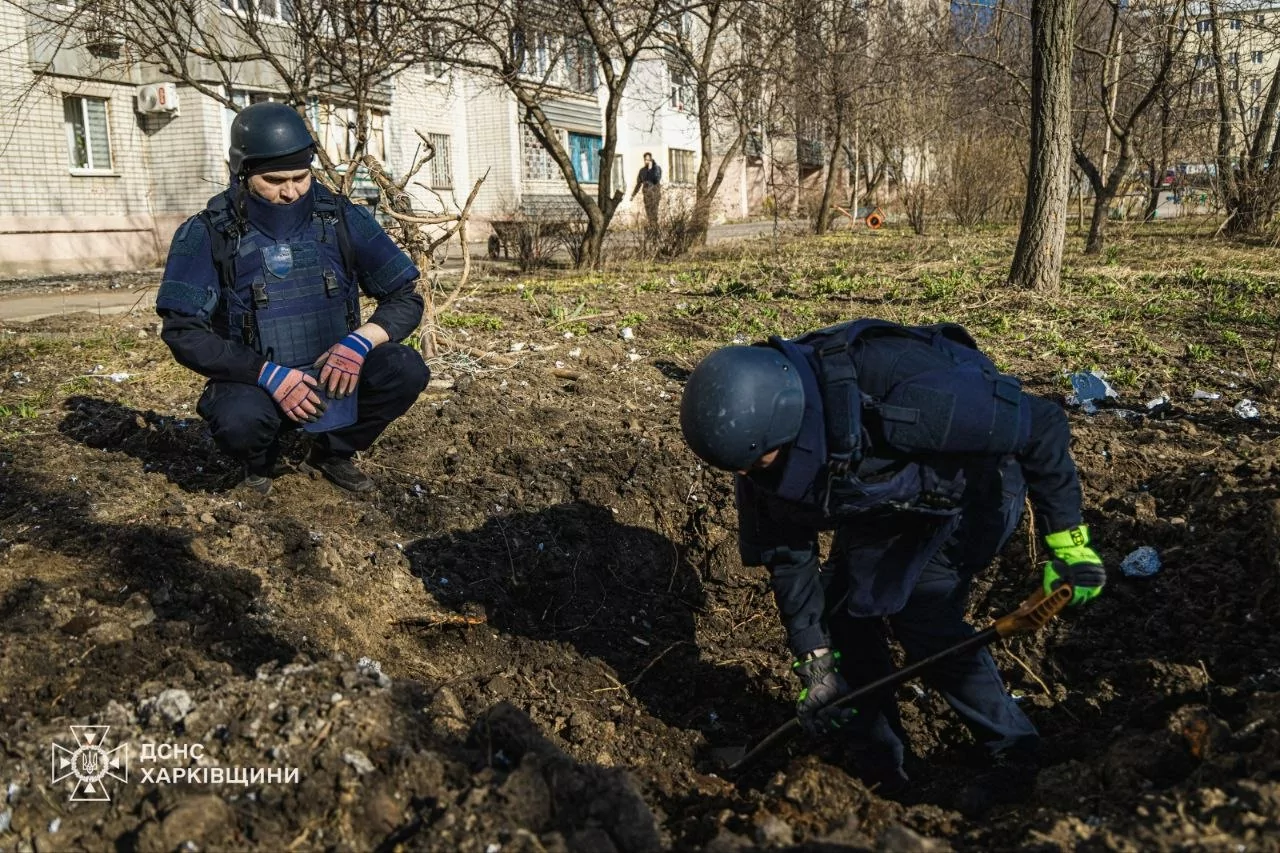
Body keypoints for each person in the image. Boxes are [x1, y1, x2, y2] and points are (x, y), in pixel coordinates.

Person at [679, 319, 1105, 805]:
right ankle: (881, 767)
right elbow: (789, 557)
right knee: (844, 607)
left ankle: (1016, 750)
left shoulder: (904, 397)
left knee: (919, 610)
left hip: (973, 494)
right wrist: (814, 663)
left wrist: (1070, 545)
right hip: (889, 499)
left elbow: (1043, 425)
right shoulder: (761, 449)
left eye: (756, 464)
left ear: (787, 422)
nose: (748, 476)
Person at [155, 102, 429, 496]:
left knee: (405, 368)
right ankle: (260, 464)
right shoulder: (208, 233)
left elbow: (405, 297)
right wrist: (267, 374)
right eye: (274, 180)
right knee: (238, 420)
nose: (290, 191)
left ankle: (332, 452)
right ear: (242, 171)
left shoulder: (341, 218)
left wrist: (359, 342)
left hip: (335, 374)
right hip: (256, 383)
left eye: (301, 177)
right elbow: (183, 331)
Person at [630, 152, 662, 229]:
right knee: (649, 214)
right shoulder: (642, 171)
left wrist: (650, 170)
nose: (646, 161)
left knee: (654, 214)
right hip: (646, 195)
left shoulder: (657, 169)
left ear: (651, 159)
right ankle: (653, 230)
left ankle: (655, 231)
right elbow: (638, 183)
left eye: (648, 159)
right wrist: (633, 195)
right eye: (645, 160)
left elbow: (656, 179)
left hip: (655, 195)